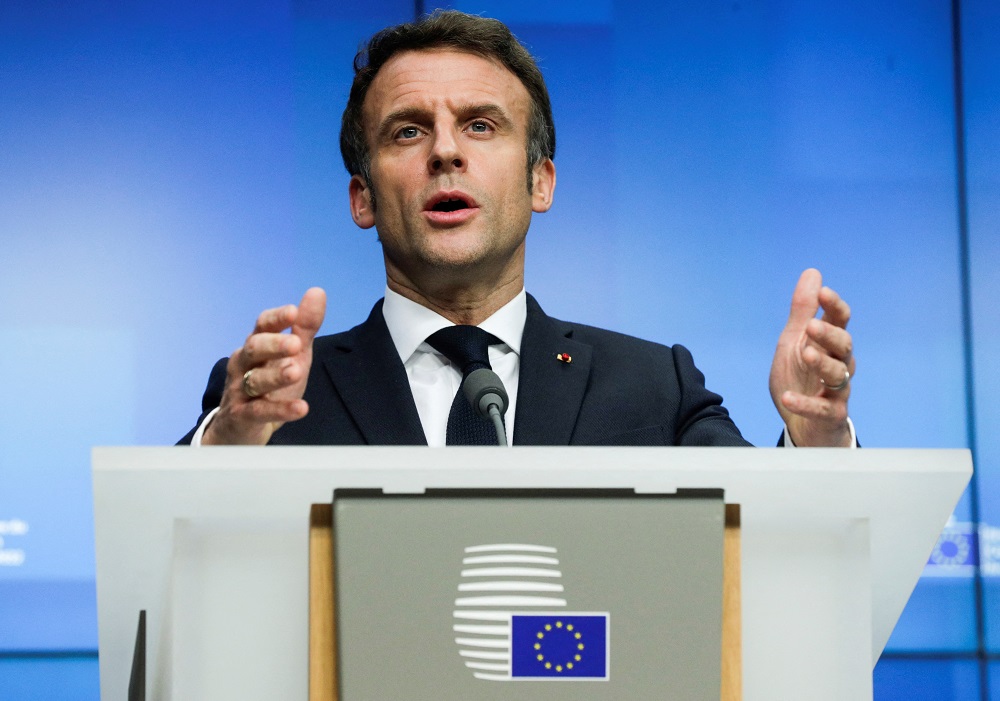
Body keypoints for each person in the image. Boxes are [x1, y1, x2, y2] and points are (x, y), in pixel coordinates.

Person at [179, 10, 856, 449]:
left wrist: (814, 438)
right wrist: (228, 443)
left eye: (480, 124)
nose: (445, 151)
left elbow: (763, 552)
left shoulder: (656, 387)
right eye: (408, 130)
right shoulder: (273, 400)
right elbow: (171, 577)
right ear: (363, 198)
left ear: (541, 183)